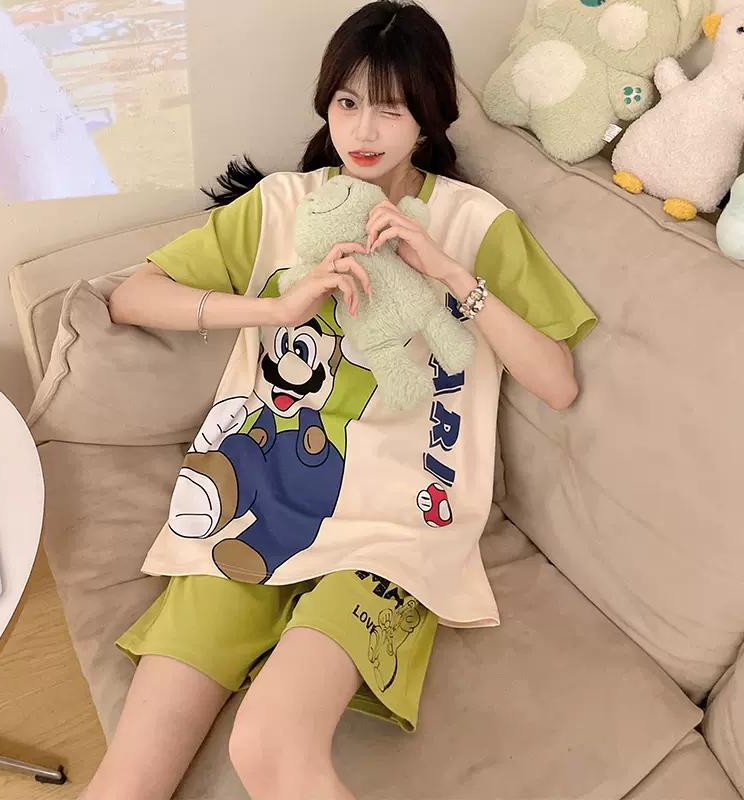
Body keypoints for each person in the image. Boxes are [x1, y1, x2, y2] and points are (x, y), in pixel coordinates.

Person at [81, 2, 597, 799]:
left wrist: (450, 274)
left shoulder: (474, 222)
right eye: (348, 101)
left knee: (269, 744)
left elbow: (557, 381)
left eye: (390, 108)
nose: (363, 129)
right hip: (254, 501)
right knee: (126, 780)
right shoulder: (284, 206)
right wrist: (274, 310)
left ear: (428, 117)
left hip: (396, 526)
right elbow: (131, 297)